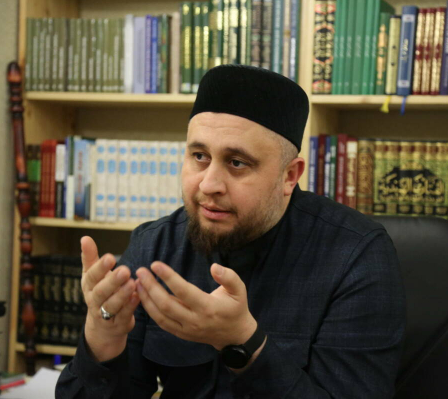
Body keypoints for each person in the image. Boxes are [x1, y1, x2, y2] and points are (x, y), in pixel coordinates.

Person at [56, 64, 406, 399]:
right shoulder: (155, 246)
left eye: (237, 163)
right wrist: (102, 337)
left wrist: (245, 343)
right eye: (199, 156)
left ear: (289, 176)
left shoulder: (356, 256)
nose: (209, 185)